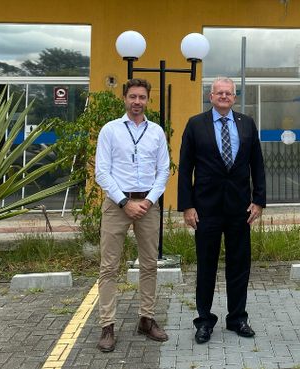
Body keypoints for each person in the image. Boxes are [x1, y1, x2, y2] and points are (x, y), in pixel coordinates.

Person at [178, 76, 266, 344]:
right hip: (206, 208)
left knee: (239, 265)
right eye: (220, 93)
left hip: (240, 207)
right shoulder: (195, 124)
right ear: (211, 96)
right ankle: (204, 321)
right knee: (206, 266)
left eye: (229, 93)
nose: (224, 97)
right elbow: (185, 168)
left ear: (235, 97)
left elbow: (257, 165)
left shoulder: (247, 124)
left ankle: (237, 318)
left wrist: (259, 200)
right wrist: (187, 206)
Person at [94, 78, 171, 352]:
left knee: (149, 265)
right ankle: (107, 326)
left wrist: (149, 200)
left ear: (148, 100)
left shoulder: (157, 132)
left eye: (142, 97)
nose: (137, 101)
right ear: (124, 99)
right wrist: (125, 202)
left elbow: (164, 170)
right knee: (109, 267)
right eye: (132, 97)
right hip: (117, 204)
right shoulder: (110, 130)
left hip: (148, 204)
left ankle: (146, 320)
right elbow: (102, 171)